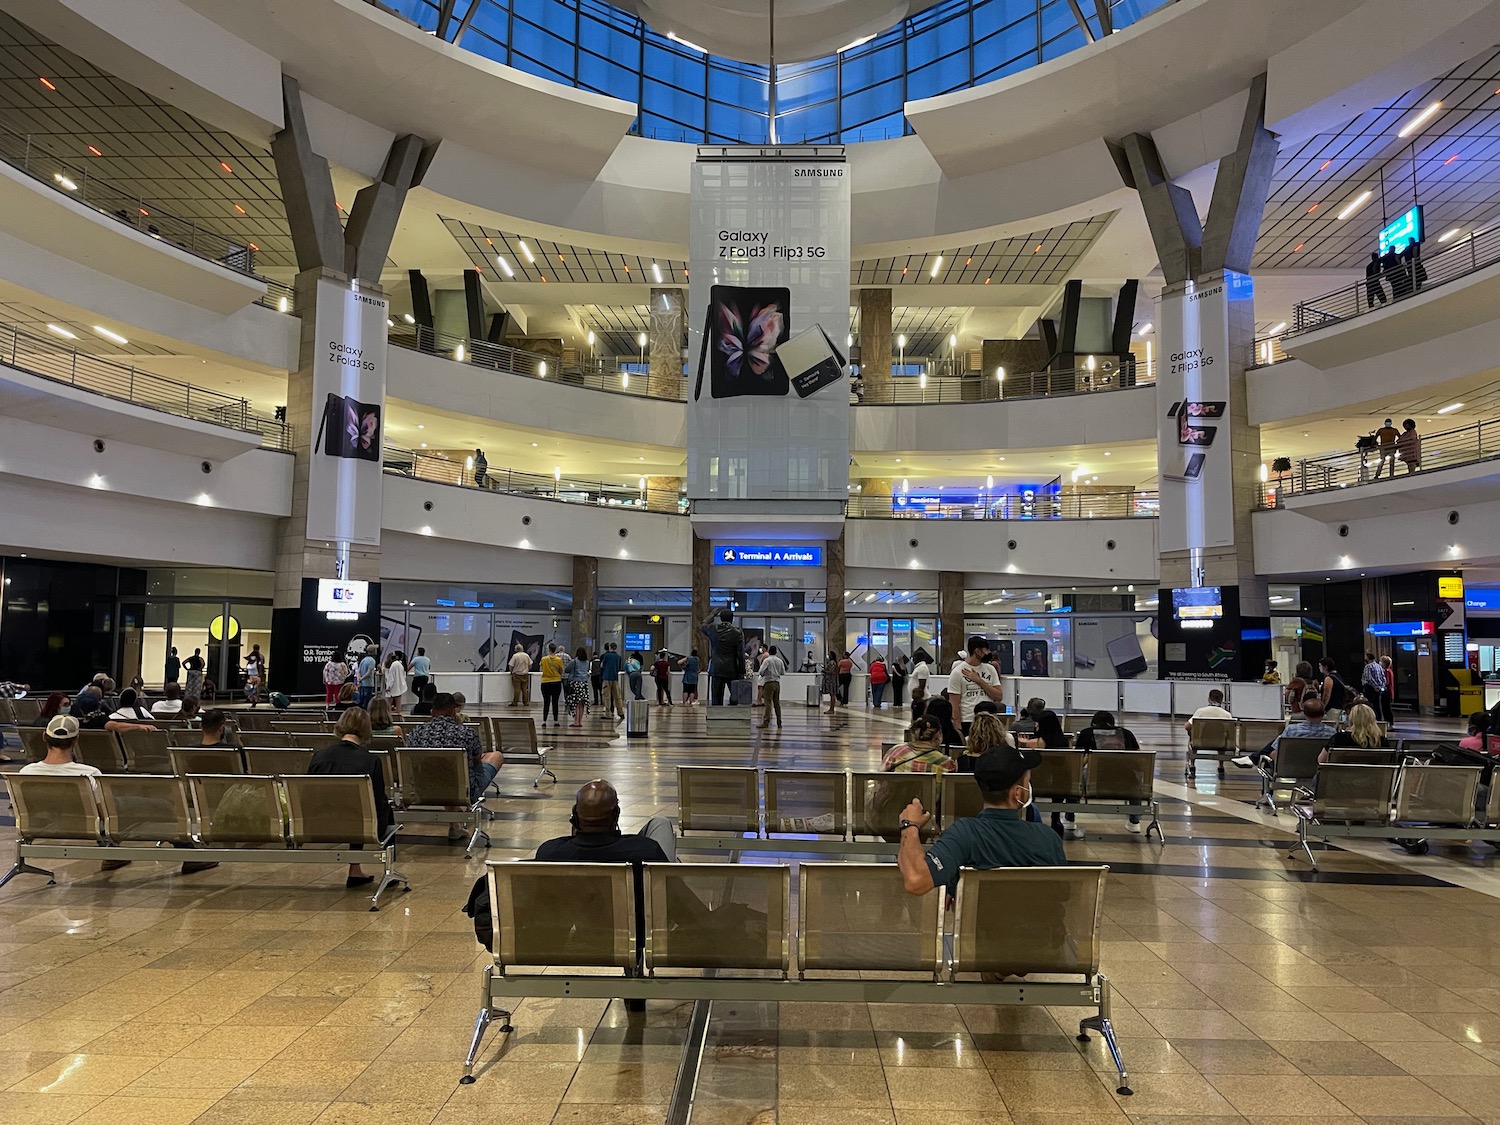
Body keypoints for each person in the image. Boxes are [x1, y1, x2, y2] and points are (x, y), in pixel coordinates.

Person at [23, 715, 219, 875]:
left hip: (54, 823)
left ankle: (113, 854)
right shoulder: (88, 773)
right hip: (95, 821)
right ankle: (190, 855)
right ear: (76, 739)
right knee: (163, 807)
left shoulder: (26, 773)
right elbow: (103, 813)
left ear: (44, 737)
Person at [897, 745, 1066, 899]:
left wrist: (909, 825)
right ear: (1017, 793)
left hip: (982, 932)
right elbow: (1062, 895)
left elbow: (916, 880)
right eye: (1027, 782)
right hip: (1041, 932)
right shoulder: (1048, 838)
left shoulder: (965, 835)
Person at [310, 707, 394, 887]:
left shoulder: (319, 757)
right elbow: (378, 802)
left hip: (318, 823)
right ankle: (385, 870)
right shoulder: (370, 761)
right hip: (360, 825)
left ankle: (356, 871)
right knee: (381, 809)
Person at [535, 779, 678, 864]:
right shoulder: (646, 850)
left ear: (575, 817)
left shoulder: (548, 853)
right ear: (616, 815)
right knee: (660, 822)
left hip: (571, 914)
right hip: (632, 915)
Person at [406, 692, 503, 810]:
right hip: (461, 792)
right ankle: (456, 812)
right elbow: (477, 761)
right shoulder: (467, 733)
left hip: (423, 790)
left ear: (432, 711)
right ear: (453, 712)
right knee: (496, 756)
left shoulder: (416, 733)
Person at [1076, 711, 1144, 833]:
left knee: (1074, 777)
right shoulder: (1127, 734)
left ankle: (1069, 818)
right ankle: (1134, 821)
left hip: (1095, 781)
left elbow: (1078, 761)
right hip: (1125, 782)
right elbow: (1137, 760)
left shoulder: (1087, 733)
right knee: (1135, 779)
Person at [1017, 710, 1078, 838]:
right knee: (1060, 777)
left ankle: (1030, 817)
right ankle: (1055, 818)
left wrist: (1023, 743)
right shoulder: (1066, 743)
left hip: (1039, 784)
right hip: (1060, 785)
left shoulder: (1035, 743)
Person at [1233, 696, 1335, 769]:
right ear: (1323, 714)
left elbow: (1276, 753)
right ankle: (1252, 758)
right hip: (1319, 768)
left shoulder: (1292, 730)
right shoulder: (1332, 733)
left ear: (1304, 714)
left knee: (1271, 753)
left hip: (1291, 767)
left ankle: (1253, 759)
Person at [947, 637, 1004, 735]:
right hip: (968, 720)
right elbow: (954, 704)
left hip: (989, 720)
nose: (988, 653)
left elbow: (998, 696)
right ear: (977, 651)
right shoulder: (957, 672)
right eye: (986, 650)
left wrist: (979, 680)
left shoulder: (990, 669)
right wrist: (958, 726)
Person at [699, 607, 745, 706]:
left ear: (720, 618)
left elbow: (702, 626)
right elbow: (741, 655)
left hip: (716, 669)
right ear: (732, 619)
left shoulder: (713, 630)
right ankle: (732, 717)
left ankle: (716, 719)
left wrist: (711, 615)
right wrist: (742, 672)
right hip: (732, 669)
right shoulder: (737, 633)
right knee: (735, 697)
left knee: (716, 699)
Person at [882, 716, 957, 775]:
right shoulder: (945, 762)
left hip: (896, 794)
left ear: (913, 734)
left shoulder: (895, 751)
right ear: (938, 735)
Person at [757, 645, 785, 729]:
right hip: (777, 683)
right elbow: (782, 672)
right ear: (776, 652)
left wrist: (766, 673)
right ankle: (779, 722)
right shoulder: (780, 661)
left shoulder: (767, 660)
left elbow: (761, 672)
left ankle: (766, 722)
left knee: (768, 703)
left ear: (769, 651)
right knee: (777, 703)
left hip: (768, 683)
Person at [539, 643, 566, 727]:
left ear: (549, 649)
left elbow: (541, 669)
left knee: (546, 702)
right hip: (556, 682)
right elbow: (561, 671)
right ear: (555, 650)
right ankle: (556, 721)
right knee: (555, 702)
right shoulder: (558, 660)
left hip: (545, 682)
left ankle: (544, 721)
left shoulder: (544, 659)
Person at [1361, 652, 1390, 724]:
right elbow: (1383, 678)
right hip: (1379, 689)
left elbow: (1369, 678)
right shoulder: (1379, 666)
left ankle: (1370, 721)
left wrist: (1376, 687)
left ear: (1368, 658)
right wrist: (1381, 687)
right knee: (1377, 706)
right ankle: (1379, 720)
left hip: (1370, 689)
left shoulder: (1368, 666)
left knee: (1369, 706)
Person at [565, 646, 591, 727]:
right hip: (584, 684)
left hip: (575, 683)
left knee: (576, 703)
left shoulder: (574, 661)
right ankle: (580, 721)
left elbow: (567, 669)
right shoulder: (587, 662)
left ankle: (576, 721)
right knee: (582, 703)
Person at [599, 643, 624, 720]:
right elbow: (619, 667)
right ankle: (621, 712)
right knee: (617, 696)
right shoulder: (618, 657)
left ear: (610, 647)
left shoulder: (607, 656)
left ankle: (608, 713)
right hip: (615, 678)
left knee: (607, 696)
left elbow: (602, 665)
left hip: (607, 677)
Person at [384, 652, 408, 718]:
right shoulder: (401, 664)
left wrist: (389, 686)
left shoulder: (394, 665)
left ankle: (388, 716)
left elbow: (391, 677)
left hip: (393, 686)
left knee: (388, 702)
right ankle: (398, 715)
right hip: (399, 685)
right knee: (398, 702)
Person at [508, 643, 532, 708]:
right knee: (525, 689)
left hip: (517, 675)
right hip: (525, 674)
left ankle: (515, 702)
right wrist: (527, 670)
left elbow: (511, 665)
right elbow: (530, 664)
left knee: (517, 689)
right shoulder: (526, 655)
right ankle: (526, 702)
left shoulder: (515, 656)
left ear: (516, 649)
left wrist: (511, 672)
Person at [356, 645, 377, 709]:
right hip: (368, 684)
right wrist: (361, 679)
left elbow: (358, 671)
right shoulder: (372, 661)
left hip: (362, 684)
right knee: (367, 702)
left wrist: (359, 679)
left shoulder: (363, 660)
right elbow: (369, 672)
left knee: (361, 700)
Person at [820, 651, 839, 716]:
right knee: (832, 695)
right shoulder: (833, 662)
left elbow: (832, 671)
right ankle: (831, 709)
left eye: (829, 655)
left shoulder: (832, 663)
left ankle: (831, 709)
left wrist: (824, 671)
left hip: (831, 681)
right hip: (832, 680)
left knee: (832, 695)